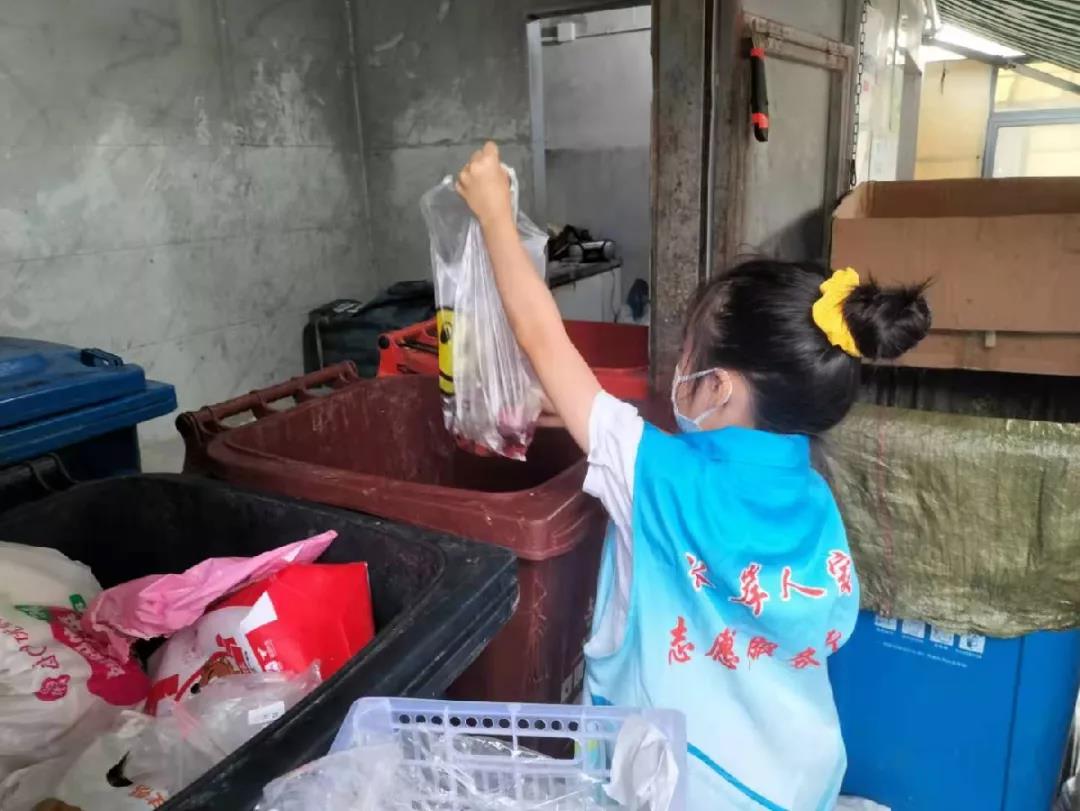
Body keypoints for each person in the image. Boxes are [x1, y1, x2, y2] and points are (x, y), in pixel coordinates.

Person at [455, 142, 931, 811]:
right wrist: (564, 407)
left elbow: (541, 336)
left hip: (688, 787)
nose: (678, 367)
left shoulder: (655, 476)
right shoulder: (814, 496)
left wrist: (494, 215)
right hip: (795, 779)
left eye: (688, 354)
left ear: (719, 386)